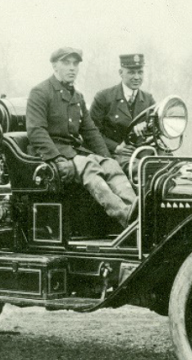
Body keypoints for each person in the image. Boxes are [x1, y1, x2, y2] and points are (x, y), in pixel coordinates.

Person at [26, 47, 138, 227]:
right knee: (88, 165)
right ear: (55, 66)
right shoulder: (41, 92)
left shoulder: (77, 97)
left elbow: (90, 131)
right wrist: (57, 158)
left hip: (74, 153)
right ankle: (125, 216)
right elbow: (36, 130)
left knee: (110, 165)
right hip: (51, 156)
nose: (72, 68)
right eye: (66, 63)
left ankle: (137, 209)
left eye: (75, 64)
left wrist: (106, 157)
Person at [90, 54, 156, 170]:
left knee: (170, 163)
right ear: (121, 73)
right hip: (113, 155)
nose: (137, 77)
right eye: (131, 72)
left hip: (141, 153)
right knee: (142, 169)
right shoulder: (104, 98)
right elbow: (92, 133)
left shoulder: (148, 99)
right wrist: (116, 147)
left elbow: (157, 128)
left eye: (140, 72)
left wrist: (146, 125)